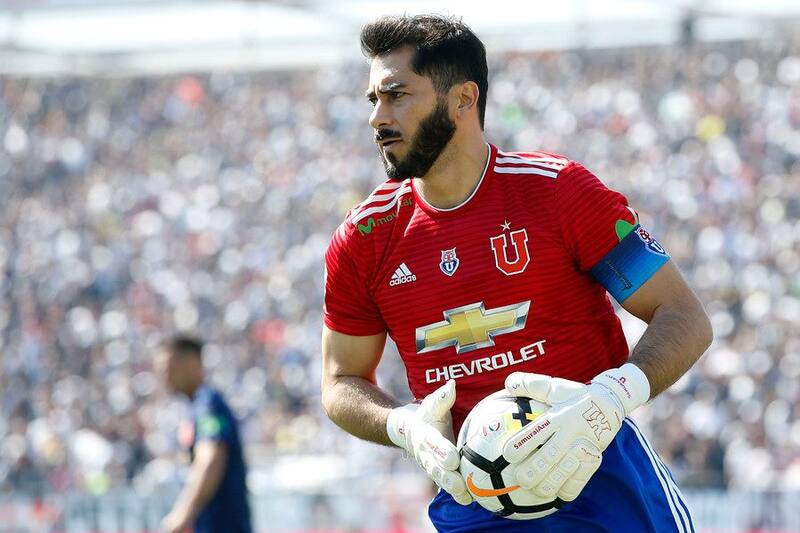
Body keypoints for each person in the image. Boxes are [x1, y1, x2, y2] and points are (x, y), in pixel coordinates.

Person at [320, 13, 713, 533]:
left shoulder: (558, 192)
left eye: (396, 95)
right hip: (472, 501)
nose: (377, 117)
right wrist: (402, 425)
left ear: (463, 99)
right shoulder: (364, 239)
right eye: (374, 100)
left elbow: (683, 316)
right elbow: (341, 381)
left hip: (604, 485)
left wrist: (611, 398)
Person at [155, 336, 252, 533]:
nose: (165, 377)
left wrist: (182, 514)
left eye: (169, 369)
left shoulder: (208, 404)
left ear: (192, 363)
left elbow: (210, 459)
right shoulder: (194, 408)